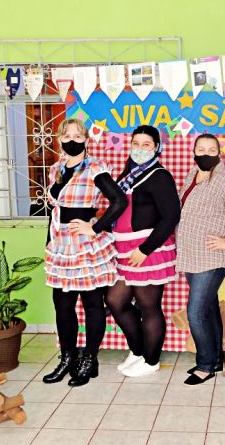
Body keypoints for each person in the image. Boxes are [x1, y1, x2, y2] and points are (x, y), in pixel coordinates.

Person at [42, 118, 127, 387]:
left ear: (87, 140)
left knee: (92, 304)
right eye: (67, 136)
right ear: (59, 139)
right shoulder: (55, 169)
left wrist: (95, 227)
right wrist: (49, 244)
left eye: (78, 136)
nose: (72, 140)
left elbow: (119, 201)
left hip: (86, 246)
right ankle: (68, 357)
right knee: (62, 304)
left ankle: (90, 359)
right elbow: (55, 211)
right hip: (61, 246)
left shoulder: (95, 168)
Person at [176, 134, 225, 385]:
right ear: (194, 151)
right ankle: (216, 359)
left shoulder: (223, 179)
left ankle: (205, 365)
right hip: (192, 254)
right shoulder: (193, 174)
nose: (206, 153)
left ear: (219, 153)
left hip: (211, 257)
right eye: (201, 149)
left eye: (212, 149)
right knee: (208, 308)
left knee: (196, 313)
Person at [107, 125, 181, 377]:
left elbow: (171, 216)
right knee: (115, 300)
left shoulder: (160, 176)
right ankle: (138, 351)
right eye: (135, 144)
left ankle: (151, 361)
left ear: (156, 147)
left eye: (146, 144)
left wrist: (145, 249)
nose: (139, 149)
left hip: (148, 250)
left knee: (149, 307)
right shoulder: (129, 173)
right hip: (125, 249)